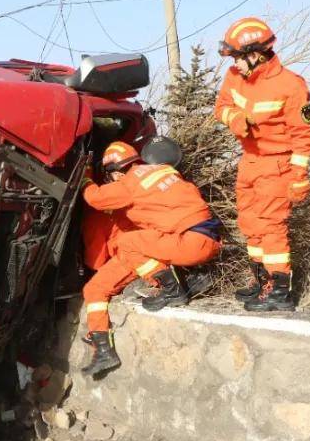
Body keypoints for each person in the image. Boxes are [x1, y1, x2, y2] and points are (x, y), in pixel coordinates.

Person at [79, 138, 222, 377]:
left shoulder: (128, 184)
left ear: (115, 172)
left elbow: (95, 198)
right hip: (169, 245)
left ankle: (171, 287)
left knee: (127, 243)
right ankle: (103, 350)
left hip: (181, 244)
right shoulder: (164, 171)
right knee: (94, 290)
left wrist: (84, 178)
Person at [214, 16, 310, 312]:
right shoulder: (235, 77)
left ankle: (280, 292)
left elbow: (305, 133)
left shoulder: (291, 85)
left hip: (277, 166)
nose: (234, 64)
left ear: (256, 54)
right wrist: (234, 118)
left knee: (271, 227)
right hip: (249, 162)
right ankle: (261, 283)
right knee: (250, 223)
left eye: (237, 57)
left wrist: (299, 176)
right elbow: (221, 106)